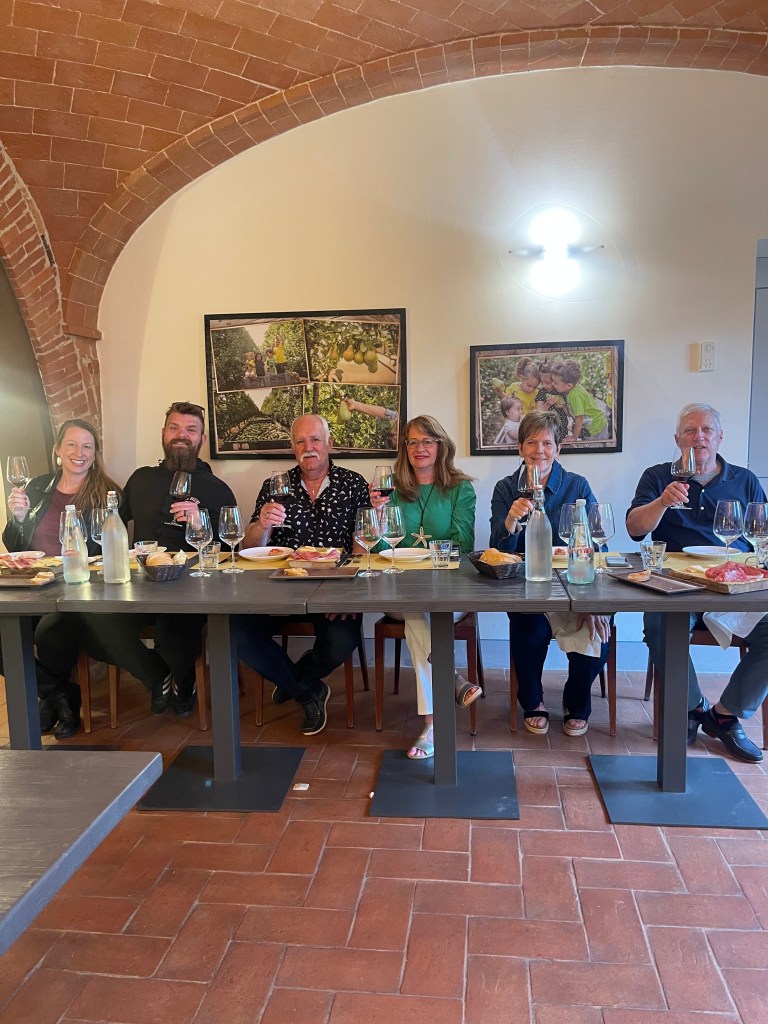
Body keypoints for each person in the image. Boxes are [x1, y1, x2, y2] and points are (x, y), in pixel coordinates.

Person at [626, 402, 768, 762]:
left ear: (720, 437)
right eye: (690, 430)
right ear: (678, 439)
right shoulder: (658, 476)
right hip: (675, 585)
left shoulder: (744, 480)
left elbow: (763, 536)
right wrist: (662, 502)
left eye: (706, 430)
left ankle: (726, 714)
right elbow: (634, 529)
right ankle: (692, 708)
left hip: (733, 585)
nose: (698, 437)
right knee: (657, 625)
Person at [232, 414, 370, 736]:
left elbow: (362, 546)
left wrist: (348, 594)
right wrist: (261, 525)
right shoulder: (275, 486)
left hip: (334, 589)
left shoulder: (354, 484)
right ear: (292, 448)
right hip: (278, 590)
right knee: (238, 633)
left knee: (339, 643)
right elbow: (249, 546)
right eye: (300, 441)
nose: (309, 447)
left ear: (329, 443)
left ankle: (293, 678)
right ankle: (308, 691)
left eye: (315, 440)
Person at [489, 411, 611, 736]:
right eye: (531, 442)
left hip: (574, 585)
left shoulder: (577, 485)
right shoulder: (506, 488)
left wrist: (594, 602)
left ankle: (576, 699)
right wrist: (511, 521)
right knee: (529, 629)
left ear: (558, 448)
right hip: (527, 587)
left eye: (547, 443)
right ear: (520, 447)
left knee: (597, 631)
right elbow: (495, 551)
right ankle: (533, 700)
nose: (539, 450)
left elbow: (597, 545)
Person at [114, 401, 237, 716]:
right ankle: (157, 675)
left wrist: (200, 521)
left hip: (191, 589)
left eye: (190, 430)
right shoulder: (141, 479)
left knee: (172, 633)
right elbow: (112, 524)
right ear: (163, 434)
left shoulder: (217, 489)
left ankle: (184, 681)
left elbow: (230, 548)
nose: (181, 435)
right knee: (93, 620)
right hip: (138, 586)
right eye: (174, 428)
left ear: (201, 439)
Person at [2, 419, 122, 738]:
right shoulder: (36, 487)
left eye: (87, 446)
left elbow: (113, 551)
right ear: (58, 449)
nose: (79, 452)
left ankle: (51, 698)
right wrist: (18, 519)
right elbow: (15, 547)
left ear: (95, 453)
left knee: (49, 631)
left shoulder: (109, 493)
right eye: (71, 444)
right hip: (34, 584)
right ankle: (58, 693)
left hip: (79, 589)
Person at [371, 415, 478, 760]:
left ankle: (432, 724)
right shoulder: (389, 489)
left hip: (448, 592)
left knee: (419, 617)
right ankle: (452, 680)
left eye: (427, 441)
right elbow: (379, 549)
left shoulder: (461, 488)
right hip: (399, 593)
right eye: (413, 442)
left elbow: (463, 544)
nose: (420, 448)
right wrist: (377, 516)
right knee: (415, 609)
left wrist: (419, 557)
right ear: (405, 448)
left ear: (440, 446)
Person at [550, 360, 609, 443]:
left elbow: (579, 419)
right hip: (591, 426)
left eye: (556, 383)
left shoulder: (575, 395)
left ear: (568, 385)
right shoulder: (572, 389)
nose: (552, 384)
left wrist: (574, 437)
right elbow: (573, 413)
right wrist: (565, 407)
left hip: (596, 429)